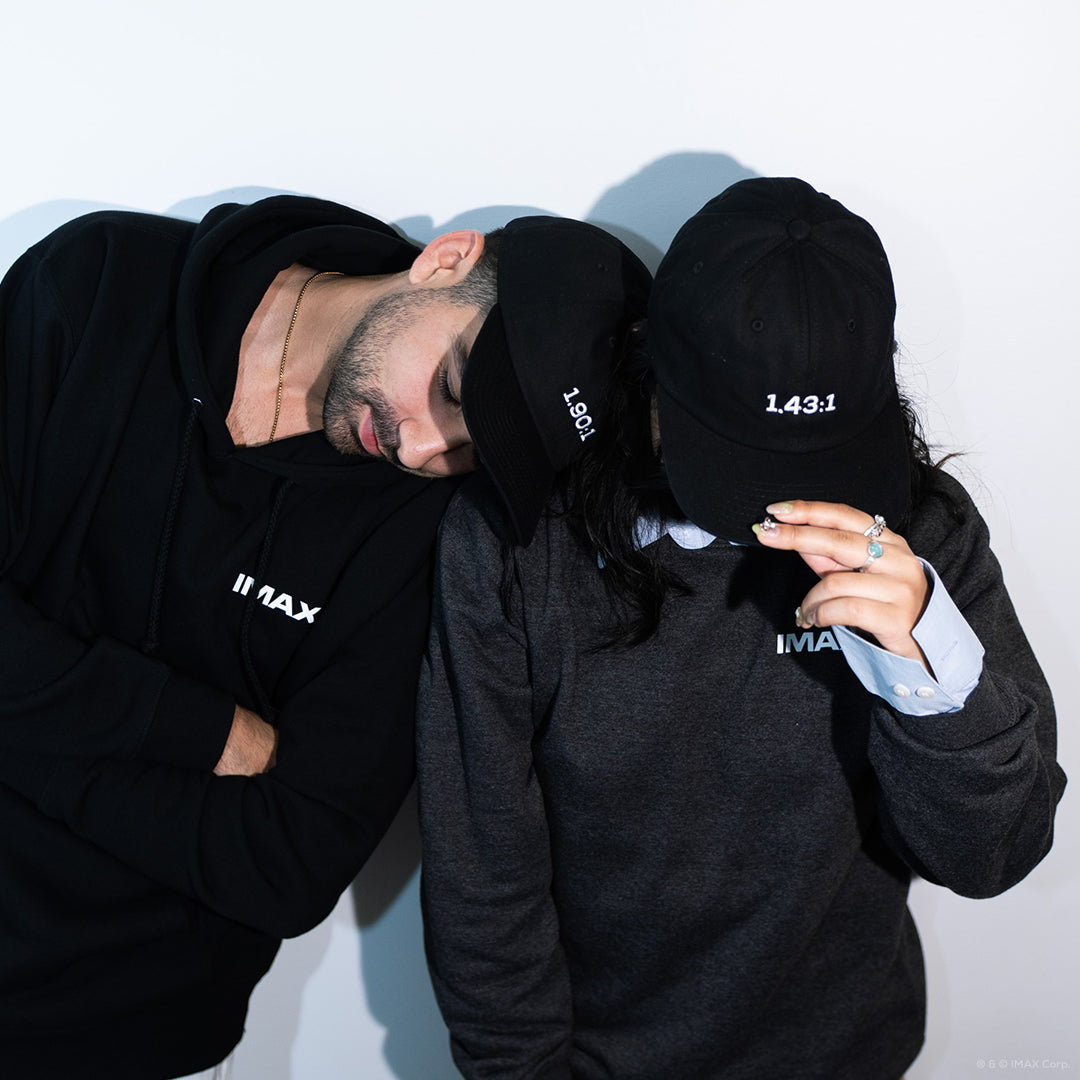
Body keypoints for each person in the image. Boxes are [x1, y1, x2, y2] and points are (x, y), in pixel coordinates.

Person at [416, 178, 1066, 1080]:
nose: (773, 501)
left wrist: (926, 669)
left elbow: (996, 857)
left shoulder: (923, 537)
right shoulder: (518, 545)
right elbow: (482, 873)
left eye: (817, 459)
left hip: (852, 1054)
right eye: (736, 457)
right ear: (647, 371)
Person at [0, 193, 650, 1078]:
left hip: (124, 1033)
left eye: (478, 452)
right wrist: (198, 731)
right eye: (456, 388)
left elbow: (289, 862)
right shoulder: (100, 285)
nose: (426, 452)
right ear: (447, 261)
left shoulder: (434, 531)